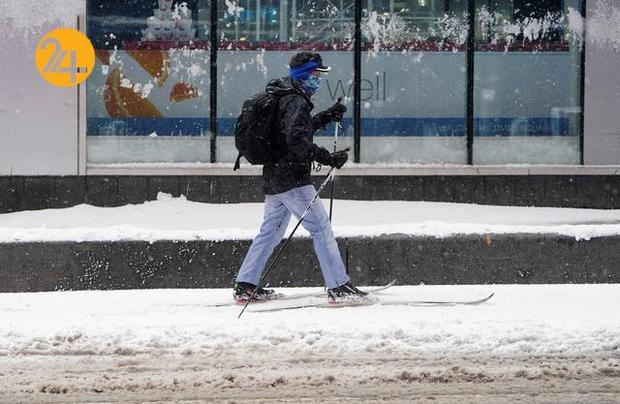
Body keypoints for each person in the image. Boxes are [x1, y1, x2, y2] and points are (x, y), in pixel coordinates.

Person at [233, 52, 368, 304]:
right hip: (292, 179)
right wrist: (328, 157)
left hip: (274, 176)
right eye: (315, 75)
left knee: (270, 231)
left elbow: (292, 132)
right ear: (303, 75)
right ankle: (338, 286)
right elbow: (297, 143)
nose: (318, 80)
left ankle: (245, 284)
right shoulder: (294, 100)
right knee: (320, 228)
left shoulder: (283, 94)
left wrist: (325, 116)